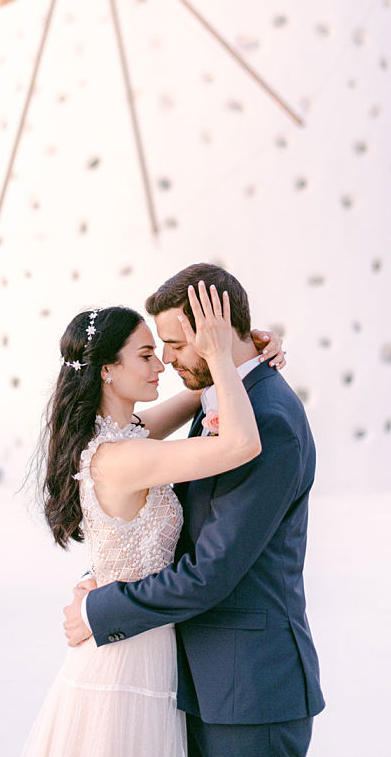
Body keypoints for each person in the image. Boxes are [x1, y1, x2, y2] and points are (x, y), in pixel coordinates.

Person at [64, 263, 325, 757]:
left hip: (250, 690)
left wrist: (102, 609)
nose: (165, 360)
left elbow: (213, 569)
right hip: (196, 680)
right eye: (153, 349)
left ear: (215, 336)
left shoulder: (266, 418)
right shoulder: (223, 399)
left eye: (177, 345)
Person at [21, 283, 284, 757]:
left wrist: (249, 356)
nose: (162, 363)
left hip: (141, 636)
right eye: (146, 355)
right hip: (126, 659)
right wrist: (224, 357)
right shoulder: (122, 457)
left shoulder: (126, 435)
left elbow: (196, 397)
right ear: (108, 371)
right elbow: (241, 444)